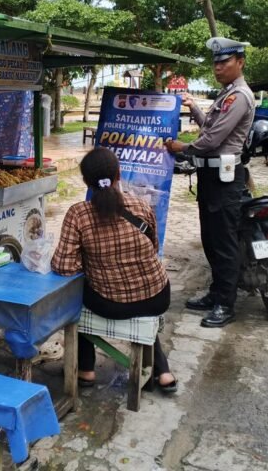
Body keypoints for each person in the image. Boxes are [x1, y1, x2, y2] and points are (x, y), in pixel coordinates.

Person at [52, 147, 177, 392]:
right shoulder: (141, 206)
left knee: (77, 292)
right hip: (158, 297)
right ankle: (164, 373)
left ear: (86, 181)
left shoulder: (79, 214)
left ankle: (86, 370)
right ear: (119, 174)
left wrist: (89, 265)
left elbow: (63, 266)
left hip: (112, 304)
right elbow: (153, 248)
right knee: (143, 295)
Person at [165, 37, 255, 328]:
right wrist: (193, 108)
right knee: (211, 239)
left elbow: (212, 140)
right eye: (215, 63)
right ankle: (216, 293)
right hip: (211, 176)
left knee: (225, 242)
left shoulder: (239, 96)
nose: (218, 68)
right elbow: (211, 128)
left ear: (239, 62)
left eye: (224, 62)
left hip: (224, 178)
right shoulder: (227, 94)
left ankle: (225, 304)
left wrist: (183, 148)